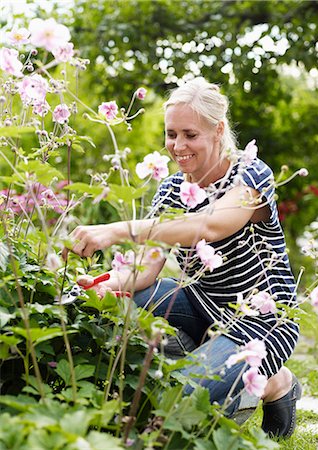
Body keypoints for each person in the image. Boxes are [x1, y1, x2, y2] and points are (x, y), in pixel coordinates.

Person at [62, 77, 302, 438]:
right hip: (199, 304)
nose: (178, 145)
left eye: (190, 134)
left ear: (218, 130)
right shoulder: (173, 187)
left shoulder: (251, 174)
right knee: (119, 303)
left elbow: (211, 225)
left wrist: (118, 229)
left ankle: (272, 383)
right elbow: (145, 270)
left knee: (176, 402)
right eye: (171, 134)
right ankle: (202, 351)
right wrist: (99, 286)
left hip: (259, 321)